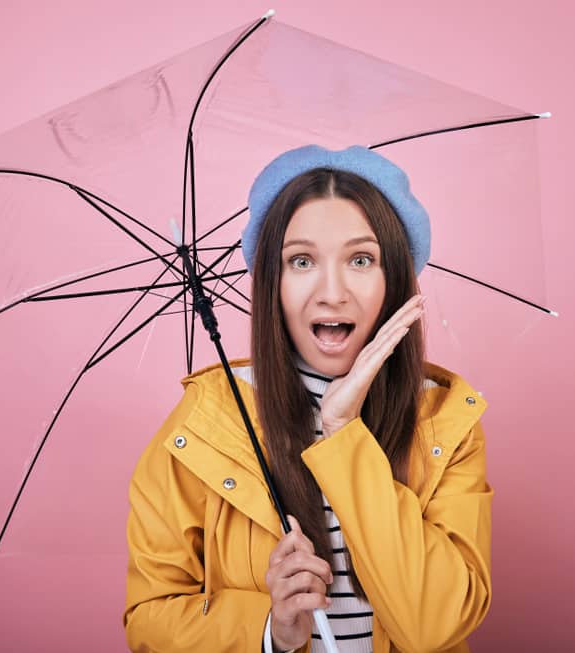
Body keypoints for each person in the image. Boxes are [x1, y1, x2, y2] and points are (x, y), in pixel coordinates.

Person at [124, 145, 492, 653]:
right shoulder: (205, 426)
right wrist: (270, 629)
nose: (332, 292)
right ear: (272, 284)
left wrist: (343, 434)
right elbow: (148, 621)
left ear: (396, 280)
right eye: (301, 261)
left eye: (361, 259)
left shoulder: (445, 421)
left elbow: (437, 625)